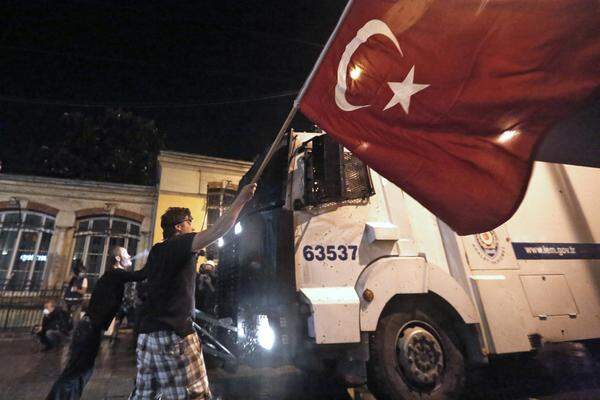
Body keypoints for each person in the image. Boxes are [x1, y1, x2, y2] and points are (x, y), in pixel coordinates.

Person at [130, 183, 256, 400]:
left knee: (145, 395)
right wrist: (241, 199)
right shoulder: (180, 243)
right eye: (189, 222)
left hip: (148, 337)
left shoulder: (157, 251)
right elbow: (217, 231)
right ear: (178, 227)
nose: (191, 226)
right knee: (194, 394)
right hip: (174, 337)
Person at [46, 246, 146, 400]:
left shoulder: (114, 276)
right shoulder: (114, 273)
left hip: (90, 329)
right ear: (118, 258)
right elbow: (140, 275)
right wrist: (158, 257)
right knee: (76, 372)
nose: (130, 255)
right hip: (89, 329)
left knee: (83, 371)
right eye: (127, 253)